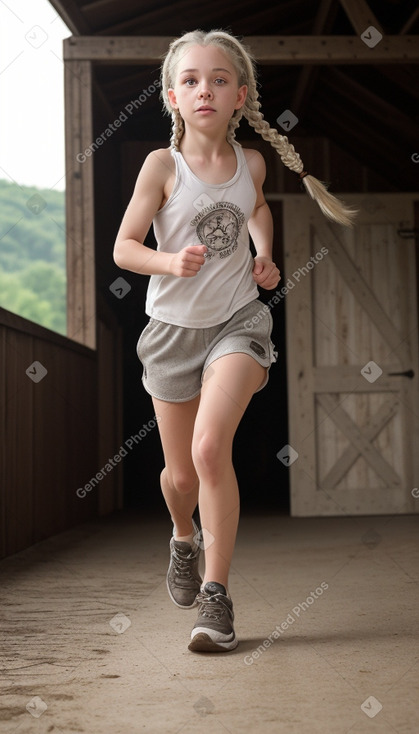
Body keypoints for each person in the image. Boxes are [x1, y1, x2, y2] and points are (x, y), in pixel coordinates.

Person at [113, 29, 355, 653]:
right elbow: (124, 248)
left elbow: (258, 210)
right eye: (191, 80)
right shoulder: (161, 167)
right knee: (179, 476)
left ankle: (216, 601)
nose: (204, 90)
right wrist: (171, 265)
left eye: (219, 80)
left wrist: (267, 255)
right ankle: (183, 538)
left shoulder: (251, 164)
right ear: (172, 96)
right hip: (170, 335)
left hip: (237, 324)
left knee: (210, 446)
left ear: (240, 95)